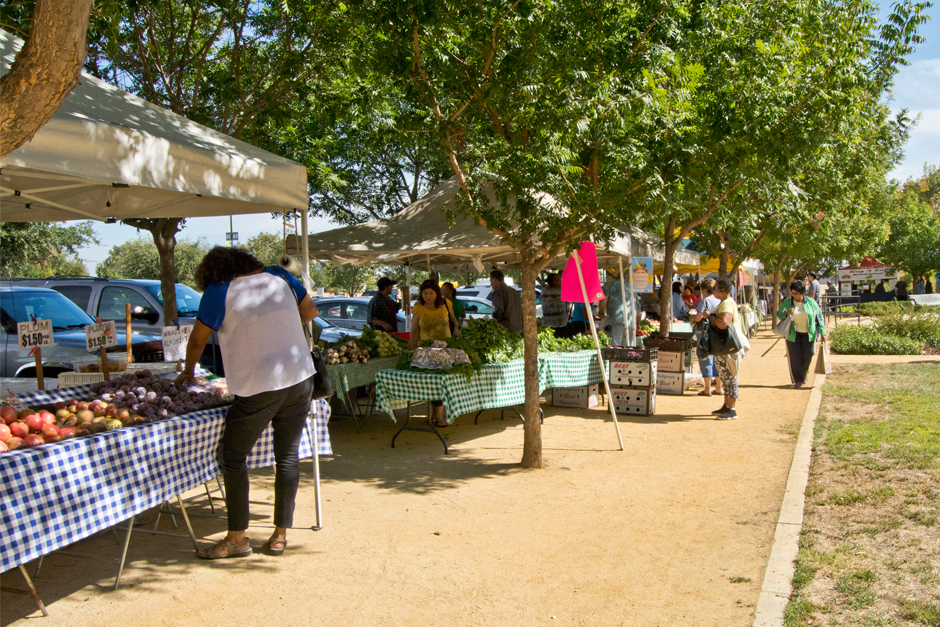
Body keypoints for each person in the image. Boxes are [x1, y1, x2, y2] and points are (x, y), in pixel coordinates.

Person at [176, 247, 318, 559]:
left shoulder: (219, 290)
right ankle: (280, 534)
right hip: (300, 377)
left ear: (211, 272)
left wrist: (188, 370)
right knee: (288, 456)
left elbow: (198, 338)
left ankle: (238, 537)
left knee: (233, 456)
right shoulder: (279, 275)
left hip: (259, 384)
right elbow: (310, 312)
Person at [410, 280, 460, 426]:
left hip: (445, 349)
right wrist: (412, 351)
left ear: (436, 293)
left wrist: (456, 328)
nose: (428, 296)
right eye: (425, 293)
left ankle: (437, 415)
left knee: (443, 383)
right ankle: (438, 416)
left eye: (431, 293)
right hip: (427, 351)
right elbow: (414, 332)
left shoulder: (446, 304)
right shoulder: (418, 308)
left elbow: (453, 320)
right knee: (433, 384)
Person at [776, 280, 826, 389]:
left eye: (796, 293)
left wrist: (823, 332)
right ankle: (798, 380)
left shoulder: (812, 302)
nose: (794, 295)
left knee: (809, 354)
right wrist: (786, 313)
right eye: (792, 293)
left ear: (802, 292)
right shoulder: (787, 302)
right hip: (793, 334)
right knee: (795, 357)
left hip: (809, 334)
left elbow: (820, 317)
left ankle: (804, 374)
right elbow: (779, 314)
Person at [710, 277, 745, 419]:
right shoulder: (725, 303)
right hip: (724, 346)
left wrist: (711, 318)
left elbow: (723, 323)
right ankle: (726, 405)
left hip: (729, 346)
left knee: (730, 377)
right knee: (725, 377)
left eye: (715, 288)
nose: (713, 291)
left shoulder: (727, 304)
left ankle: (732, 409)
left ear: (722, 290)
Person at [690, 279, 722, 398]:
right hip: (717, 332)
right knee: (716, 359)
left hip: (704, 333)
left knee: (705, 358)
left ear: (704, 289)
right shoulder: (719, 300)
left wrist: (692, 317)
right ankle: (719, 387)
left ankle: (707, 389)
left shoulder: (705, 301)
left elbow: (698, 317)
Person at [598, 269, 638, 346]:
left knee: (615, 347)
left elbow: (603, 300)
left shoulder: (609, 285)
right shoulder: (633, 288)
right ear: (629, 278)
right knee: (628, 348)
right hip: (631, 321)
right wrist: (638, 323)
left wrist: (601, 313)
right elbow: (638, 311)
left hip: (616, 320)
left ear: (617, 277)